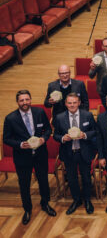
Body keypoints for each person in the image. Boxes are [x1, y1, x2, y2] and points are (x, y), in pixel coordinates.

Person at [3, 90, 56, 224]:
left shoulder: (39, 112)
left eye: (27, 99)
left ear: (30, 100)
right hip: (22, 157)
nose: (25, 102)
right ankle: (27, 209)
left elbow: (48, 129)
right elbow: (6, 139)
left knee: (43, 180)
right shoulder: (10, 118)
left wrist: (44, 139)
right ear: (17, 102)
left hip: (40, 154)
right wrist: (20, 144)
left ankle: (45, 204)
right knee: (24, 183)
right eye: (22, 100)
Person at [53, 93, 97, 215]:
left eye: (74, 102)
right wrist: (62, 138)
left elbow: (95, 131)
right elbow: (55, 135)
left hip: (84, 152)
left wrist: (85, 135)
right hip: (68, 153)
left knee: (86, 178)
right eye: (69, 103)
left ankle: (87, 200)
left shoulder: (87, 115)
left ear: (79, 103)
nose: (72, 105)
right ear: (66, 104)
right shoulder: (60, 117)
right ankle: (76, 200)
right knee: (72, 179)